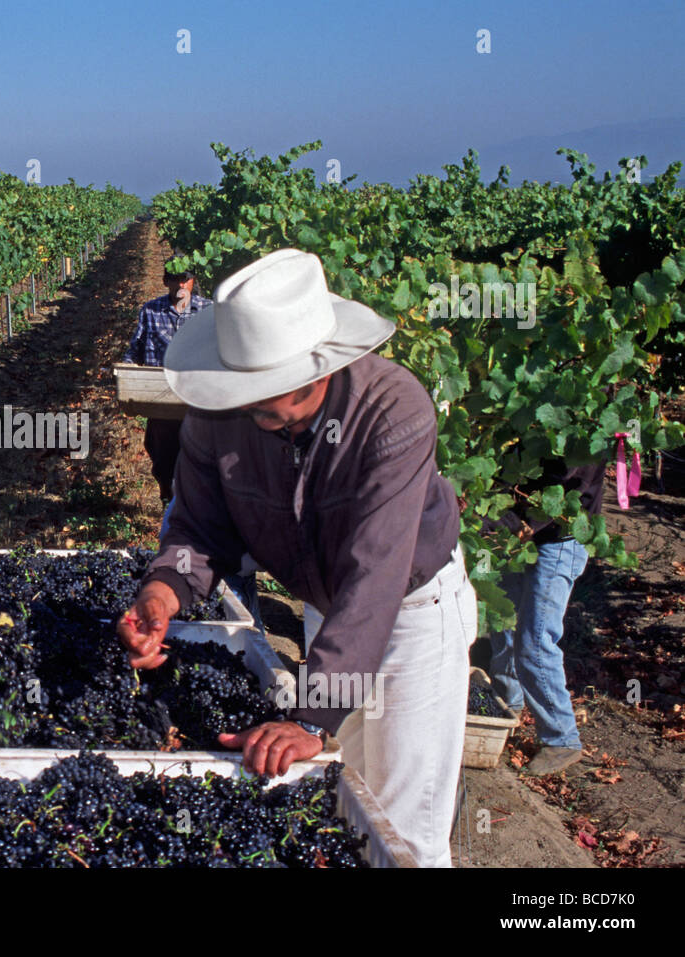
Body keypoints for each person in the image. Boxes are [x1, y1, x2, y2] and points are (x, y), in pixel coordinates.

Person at [116, 248, 475, 868]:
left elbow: (375, 576)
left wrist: (309, 717)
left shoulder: (393, 410)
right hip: (325, 607)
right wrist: (162, 594)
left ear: (319, 367)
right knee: (342, 797)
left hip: (410, 613)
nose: (254, 410)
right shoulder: (216, 414)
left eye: (271, 395)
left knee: (399, 829)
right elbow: (199, 524)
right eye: (246, 391)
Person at [485, 457, 605, 776]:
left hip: (560, 538)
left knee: (534, 642)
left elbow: (566, 480)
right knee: (504, 623)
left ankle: (562, 739)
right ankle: (504, 709)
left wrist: (520, 521)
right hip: (523, 530)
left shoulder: (582, 421)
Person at [123, 258, 210, 505]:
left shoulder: (208, 311)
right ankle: (167, 494)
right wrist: (125, 370)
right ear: (166, 282)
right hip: (161, 395)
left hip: (197, 397)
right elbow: (135, 349)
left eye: (186, 278)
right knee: (161, 452)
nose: (181, 284)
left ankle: (190, 502)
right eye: (175, 279)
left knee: (196, 453)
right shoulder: (151, 311)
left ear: (193, 281)